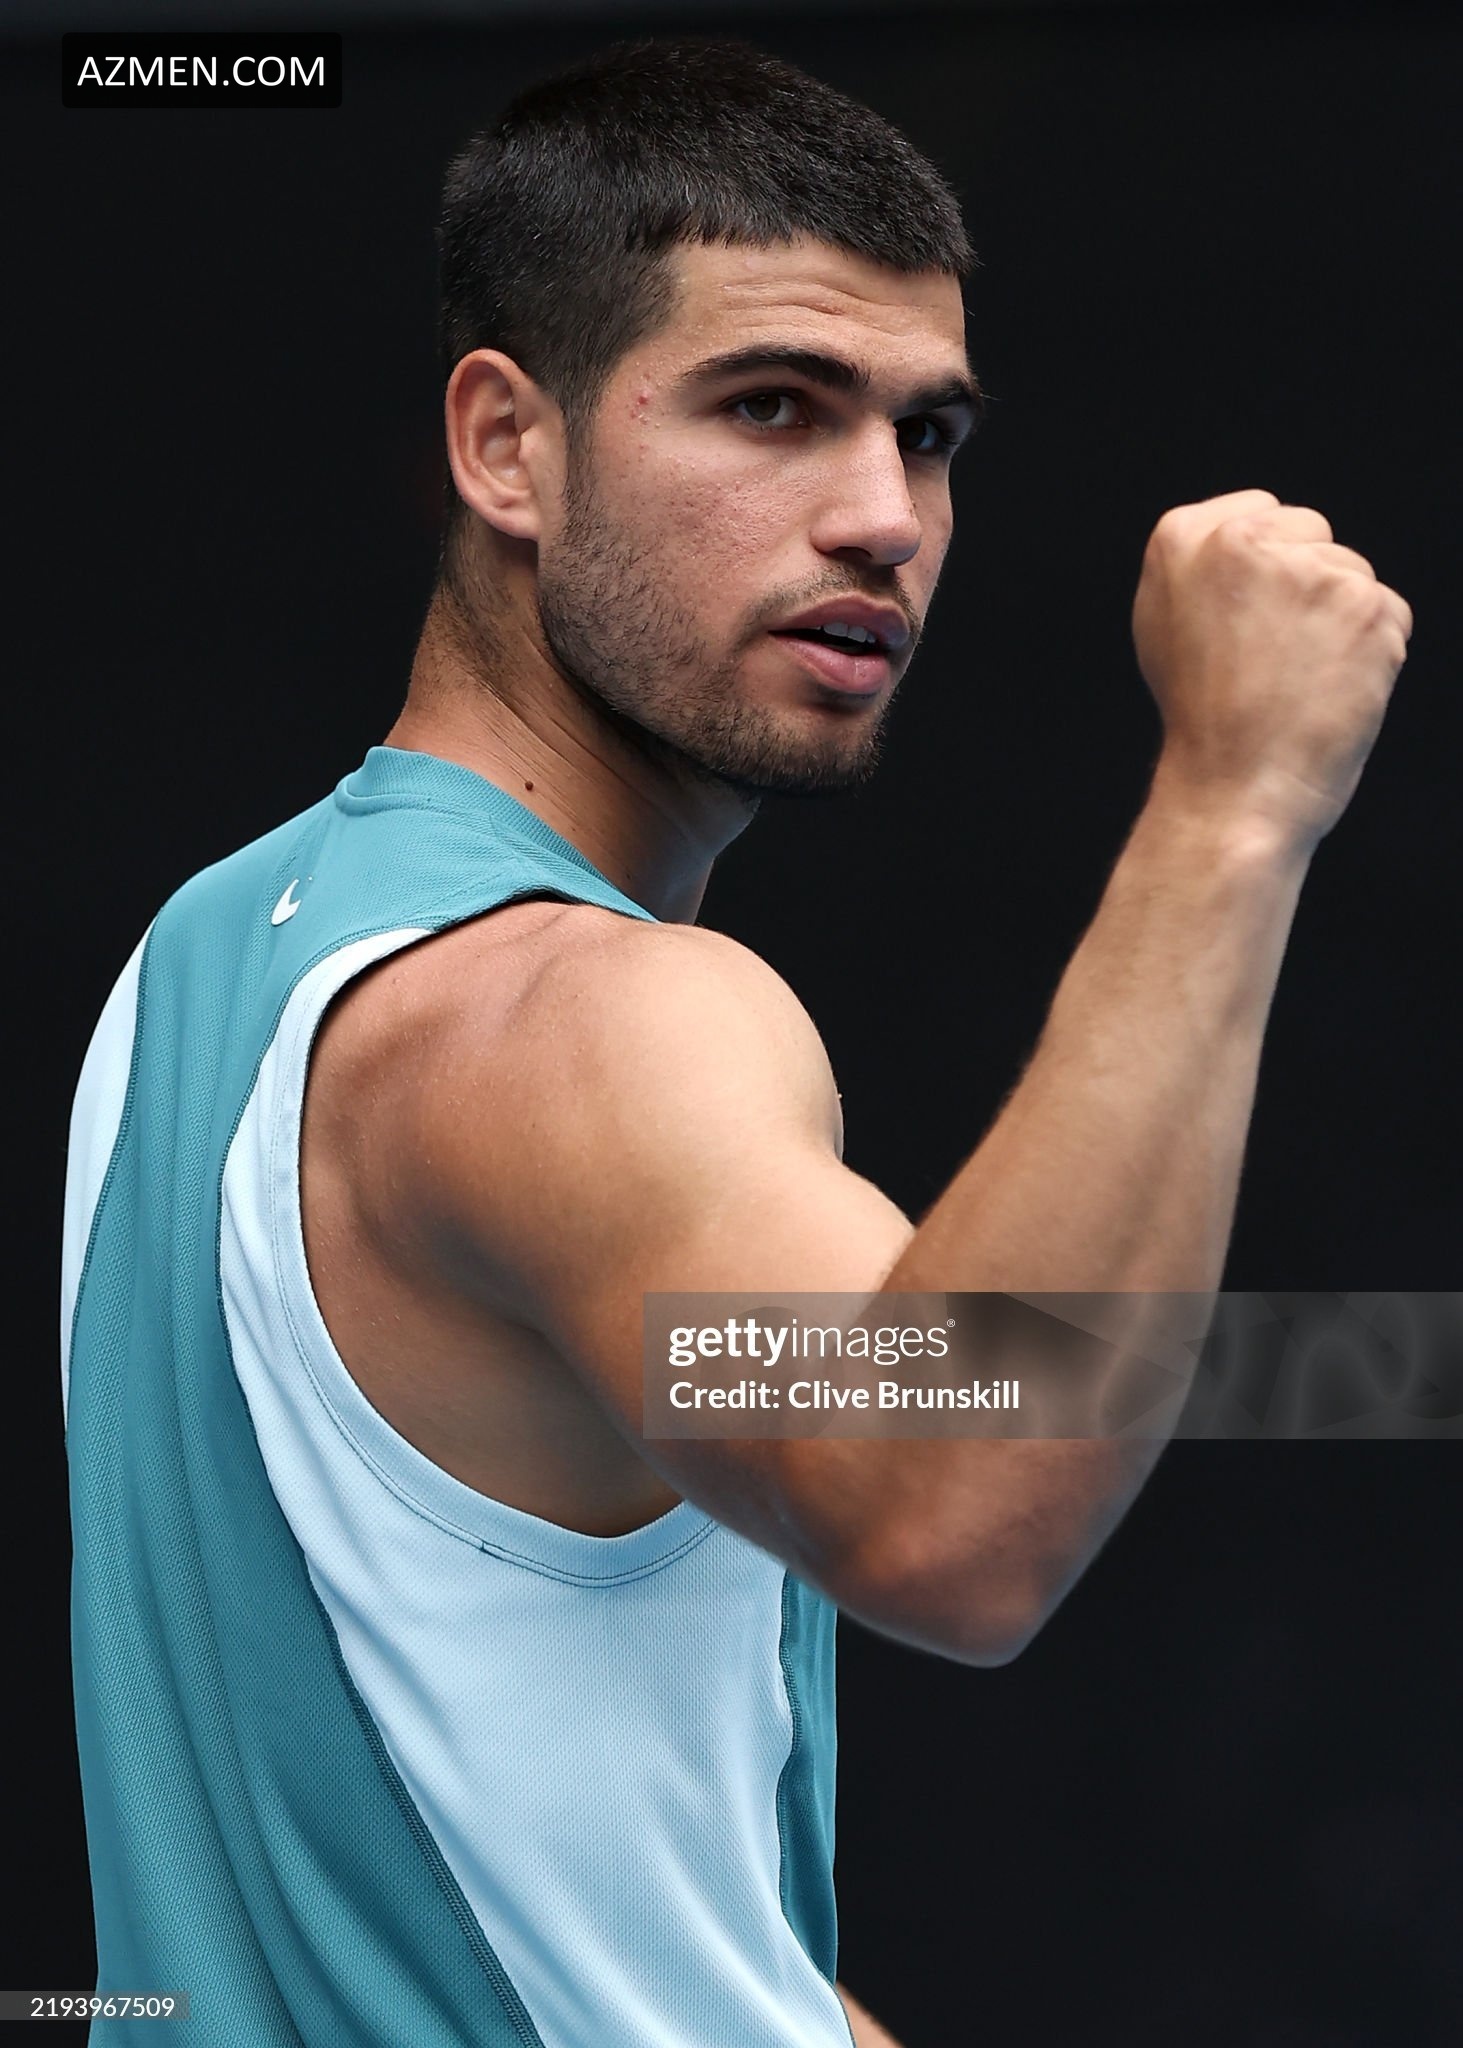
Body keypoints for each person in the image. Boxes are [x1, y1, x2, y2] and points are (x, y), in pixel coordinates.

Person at [60, 34, 1412, 2048]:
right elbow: (948, 1503)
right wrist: (1237, 801)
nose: (883, 517)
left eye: (927, 435)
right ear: (505, 446)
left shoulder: (196, 963)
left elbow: (560, 1876)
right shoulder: (587, 1012)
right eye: (773, 406)